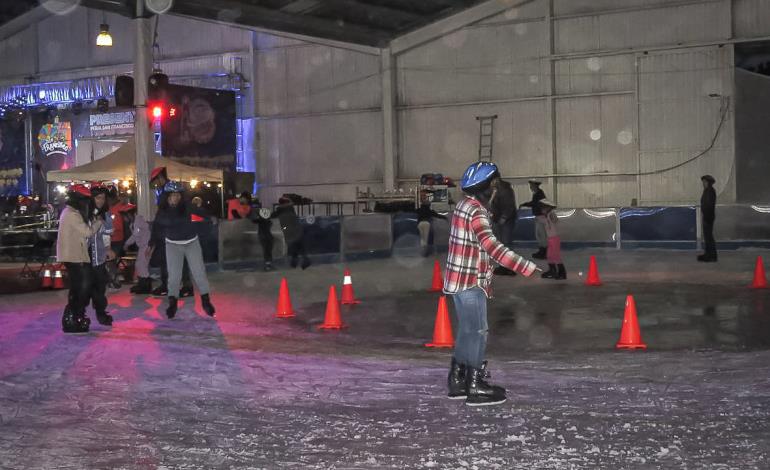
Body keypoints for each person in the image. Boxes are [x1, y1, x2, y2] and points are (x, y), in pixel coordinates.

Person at [444, 162, 538, 407]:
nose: (496, 190)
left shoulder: (463, 206)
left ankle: (458, 380)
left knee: (466, 332)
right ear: (488, 187)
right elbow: (491, 246)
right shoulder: (476, 211)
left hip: (457, 280)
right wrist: (524, 266)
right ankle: (475, 385)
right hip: (470, 281)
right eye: (494, 184)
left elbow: (474, 243)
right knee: (477, 332)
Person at [151, 181, 215, 319]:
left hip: (191, 242)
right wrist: (153, 242)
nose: (175, 198)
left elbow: (203, 215)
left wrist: (207, 220)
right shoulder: (162, 211)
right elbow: (158, 226)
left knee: (199, 272)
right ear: (167, 197)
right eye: (172, 195)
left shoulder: (187, 207)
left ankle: (206, 301)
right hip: (172, 244)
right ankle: (172, 303)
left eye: (178, 195)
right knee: (174, 276)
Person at [56, 184, 103, 333]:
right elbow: (87, 232)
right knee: (82, 288)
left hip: (74, 256)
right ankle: (73, 316)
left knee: (78, 288)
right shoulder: (72, 214)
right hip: (75, 256)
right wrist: (98, 222)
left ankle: (74, 317)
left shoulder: (69, 212)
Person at [149, 166, 194, 298]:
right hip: (169, 232)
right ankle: (172, 285)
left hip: (174, 232)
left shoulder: (169, 191)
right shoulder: (163, 190)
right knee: (168, 260)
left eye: (154, 180)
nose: (154, 183)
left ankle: (185, 286)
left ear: (160, 177)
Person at [88, 183, 116, 326]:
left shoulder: (105, 215)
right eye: (98, 198)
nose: (101, 201)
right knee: (83, 287)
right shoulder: (84, 212)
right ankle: (78, 313)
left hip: (98, 257)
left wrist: (108, 249)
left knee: (100, 285)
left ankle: (100, 312)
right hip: (83, 257)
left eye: (103, 198)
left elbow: (106, 235)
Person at [490, 174, 518, 275]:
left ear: (496, 179)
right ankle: (503, 265)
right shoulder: (495, 189)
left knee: (506, 243)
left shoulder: (505, 190)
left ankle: (509, 267)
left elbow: (509, 206)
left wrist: (504, 218)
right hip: (498, 219)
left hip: (506, 220)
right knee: (501, 243)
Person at [273, 196, 311, 270]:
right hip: (297, 230)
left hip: (289, 232)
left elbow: (272, 216)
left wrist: (284, 229)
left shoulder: (280, 210)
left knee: (294, 248)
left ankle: (295, 263)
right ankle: (303, 261)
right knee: (300, 247)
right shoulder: (290, 208)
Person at [125, 206, 153, 294]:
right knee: (141, 265)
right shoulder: (134, 223)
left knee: (142, 265)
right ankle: (143, 284)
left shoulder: (138, 221)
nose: (124, 218)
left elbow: (135, 236)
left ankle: (145, 286)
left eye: (126, 216)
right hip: (144, 245)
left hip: (146, 245)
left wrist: (126, 244)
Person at [539, 199, 567, 280]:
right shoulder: (547, 215)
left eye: (543, 208)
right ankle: (552, 271)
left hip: (554, 238)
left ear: (548, 208)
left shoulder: (551, 214)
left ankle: (562, 273)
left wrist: (549, 217)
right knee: (549, 255)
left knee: (556, 256)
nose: (541, 210)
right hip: (551, 238)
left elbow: (554, 220)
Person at [520, 180, 547, 259]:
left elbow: (534, 203)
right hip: (539, 216)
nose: (530, 187)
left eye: (531, 186)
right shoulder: (537, 193)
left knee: (541, 235)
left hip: (541, 216)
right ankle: (542, 250)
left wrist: (525, 204)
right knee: (539, 235)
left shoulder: (539, 194)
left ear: (535, 186)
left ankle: (544, 252)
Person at [248, 197, 275, 271]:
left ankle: (268, 264)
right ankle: (268, 264)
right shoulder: (264, 215)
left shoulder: (258, 215)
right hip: (268, 235)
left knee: (266, 250)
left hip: (263, 235)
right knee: (268, 250)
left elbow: (253, 220)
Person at [698, 175, 718, 262]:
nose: (703, 183)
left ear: (708, 182)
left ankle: (712, 256)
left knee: (709, 237)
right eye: (703, 182)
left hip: (708, 217)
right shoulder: (707, 191)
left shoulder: (710, 191)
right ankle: (708, 254)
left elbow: (709, 205)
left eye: (704, 182)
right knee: (707, 237)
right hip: (707, 216)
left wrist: (707, 216)